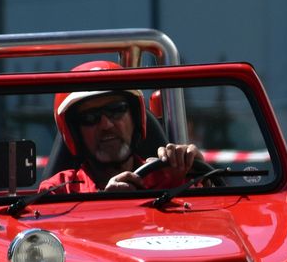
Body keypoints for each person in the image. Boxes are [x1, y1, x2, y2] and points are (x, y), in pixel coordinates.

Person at [35, 60, 202, 193]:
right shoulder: (58, 191)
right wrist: (107, 204)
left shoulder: (171, 179)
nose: (106, 125)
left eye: (116, 110)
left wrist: (199, 178)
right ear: (75, 133)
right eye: (90, 117)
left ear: (135, 118)